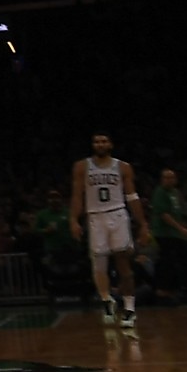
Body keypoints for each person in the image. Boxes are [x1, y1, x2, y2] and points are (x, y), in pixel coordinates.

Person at [76, 132, 148, 326]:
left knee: (123, 262)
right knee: (99, 264)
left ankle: (130, 308)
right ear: (93, 145)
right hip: (94, 216)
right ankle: (107, 299)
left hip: (117, 214)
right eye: (97, 141)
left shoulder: (123, 167)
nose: (100, 144)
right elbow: (77, 196)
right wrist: (73, 220)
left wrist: (143, 224)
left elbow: (132, 195)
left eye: (104, 141)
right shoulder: (82, 166)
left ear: (110, 144)